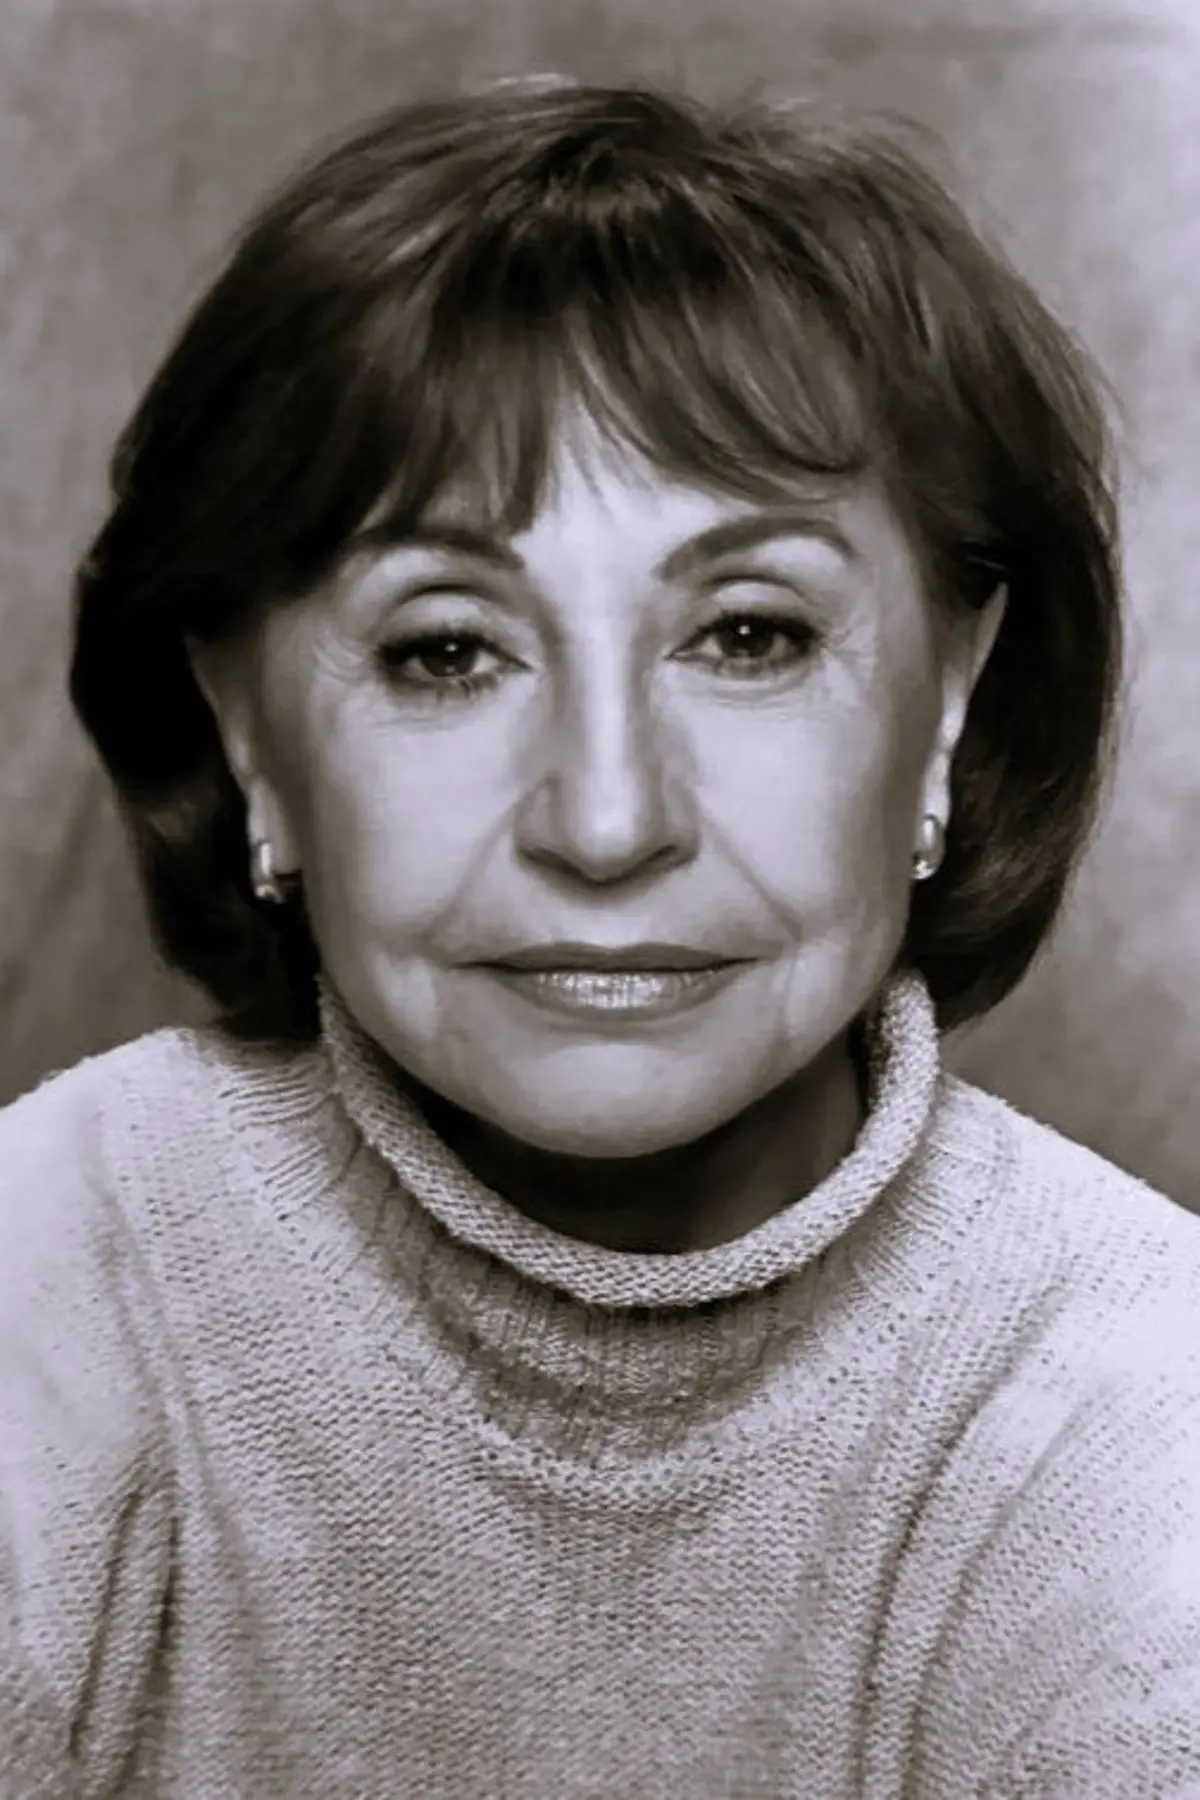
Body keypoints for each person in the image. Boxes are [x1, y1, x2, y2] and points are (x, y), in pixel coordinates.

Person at [3, 71, 1198, 1798]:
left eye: (749, 635)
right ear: (248, 732)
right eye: (445, 651)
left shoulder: (1140, 1390)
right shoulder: (56, 1262)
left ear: (951, 695)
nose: (608, 821)